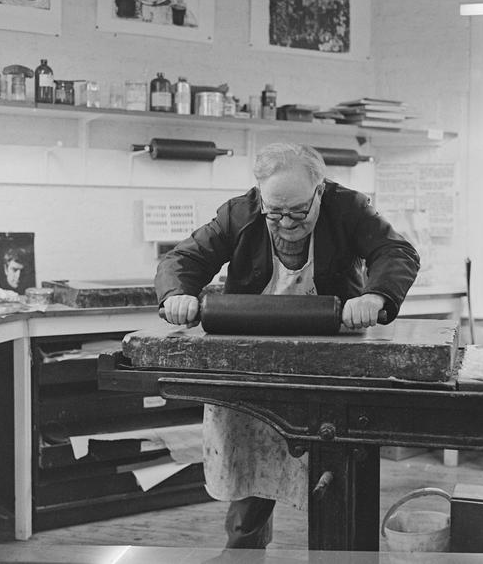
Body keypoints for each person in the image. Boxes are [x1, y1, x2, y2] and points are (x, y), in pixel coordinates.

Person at [155, 142, 420, 549]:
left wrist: (376, 295)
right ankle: (243, 553)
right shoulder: (239, 214)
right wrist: (178, 294)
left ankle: (339, 556)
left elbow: (396, 251)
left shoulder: (348, 208)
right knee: (250, 462)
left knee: (336, 469)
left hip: (330, 358)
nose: (286, 223)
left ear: (320, 190)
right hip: (253, 360)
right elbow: (182, 261)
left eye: (298, 212)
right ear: (261, 196)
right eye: (275, 212)